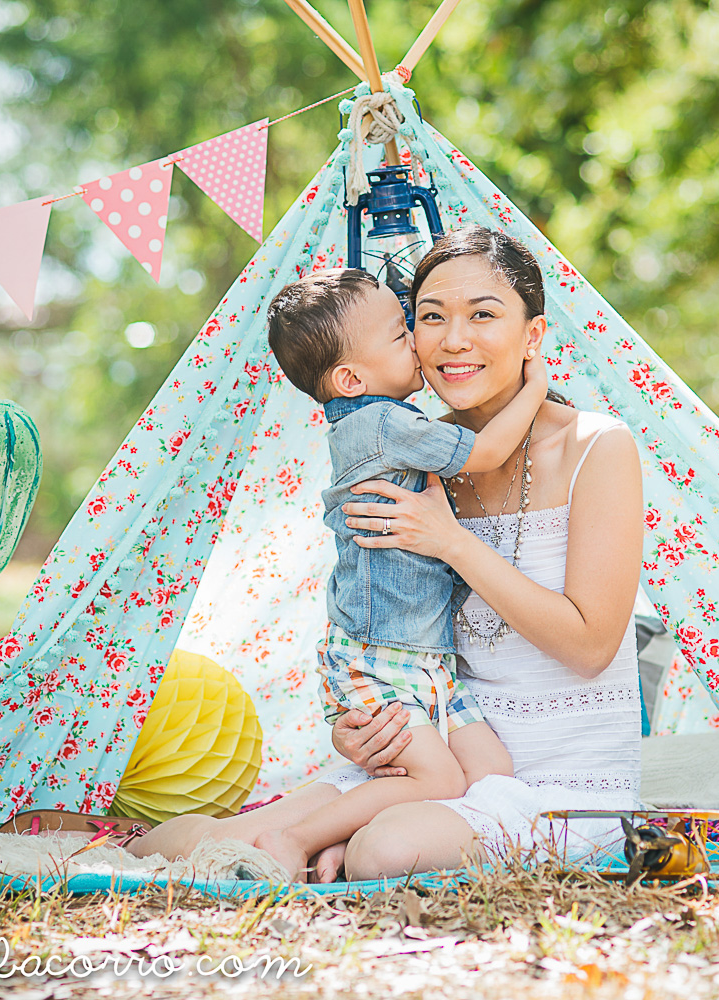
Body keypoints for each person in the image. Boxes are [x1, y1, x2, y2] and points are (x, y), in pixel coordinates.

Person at [132, 226, 642, 880]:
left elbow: (592, 644)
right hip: (430, 755)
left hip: (561, 788)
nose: (453, 339)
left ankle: (340, 844)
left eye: (483, 315)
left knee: (383, 849)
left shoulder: (599, 447)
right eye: (429, 318)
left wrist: (450, 541)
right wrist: (360, 724)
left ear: (533, 337)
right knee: (234, 835)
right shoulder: (415, 452)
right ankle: (102, 854)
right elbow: (379, 609)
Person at [201, 266, 546, 880]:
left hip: (423, 655)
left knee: (490, 771)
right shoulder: (383, 425)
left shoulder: (381, 423)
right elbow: (487, 452)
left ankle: (341, 838)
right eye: (400, 333)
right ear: (352, 377)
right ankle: (295, 837)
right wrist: (533, 389)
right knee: (437, 775)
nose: (417, 339)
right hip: (380, 652)